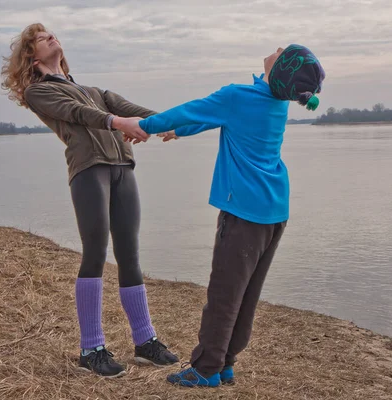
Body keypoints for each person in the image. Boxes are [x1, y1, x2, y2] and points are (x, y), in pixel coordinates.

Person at [121, 44, 326, 387]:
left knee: (224, 294)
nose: (275, 48)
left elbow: (192, 110)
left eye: (282, 51)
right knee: (245, 292)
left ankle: (206, 368)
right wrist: (180, 131)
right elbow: (215, 117)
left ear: (280, 70)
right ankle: (226, 361)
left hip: (244, 214)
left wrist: (143, 125)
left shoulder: (238, 96)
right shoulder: (275, 102)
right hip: (273, 212)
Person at [1, 23, 178, 379]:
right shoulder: (38, 93)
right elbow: (82, 115)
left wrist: (168, 123)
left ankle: (145, 342)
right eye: (39, 38)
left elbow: (133, 110)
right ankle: (91, 348)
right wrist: (120, 123)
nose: (50, 37)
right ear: (32, 58)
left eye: (50, 33)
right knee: (95, 252)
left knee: (130, 253)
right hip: (88, 170)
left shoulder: (94, 90)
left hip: (122, 167)